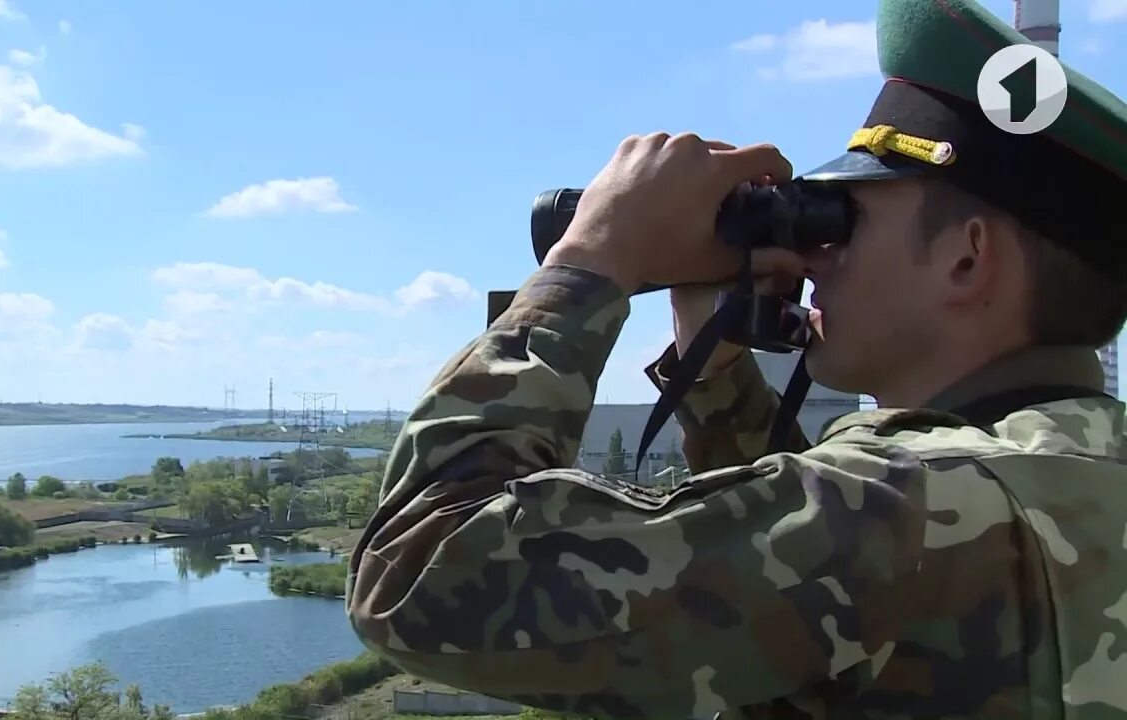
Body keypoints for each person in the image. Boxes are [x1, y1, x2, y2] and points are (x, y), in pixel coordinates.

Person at [345, 0, 1127, 716]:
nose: (812, 254)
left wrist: (591, 260)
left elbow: (417, 575)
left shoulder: (911, 507)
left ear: (967, 257)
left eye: (841, 218)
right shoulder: (1061, 472)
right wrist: (712, 365)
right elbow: (821, 581)